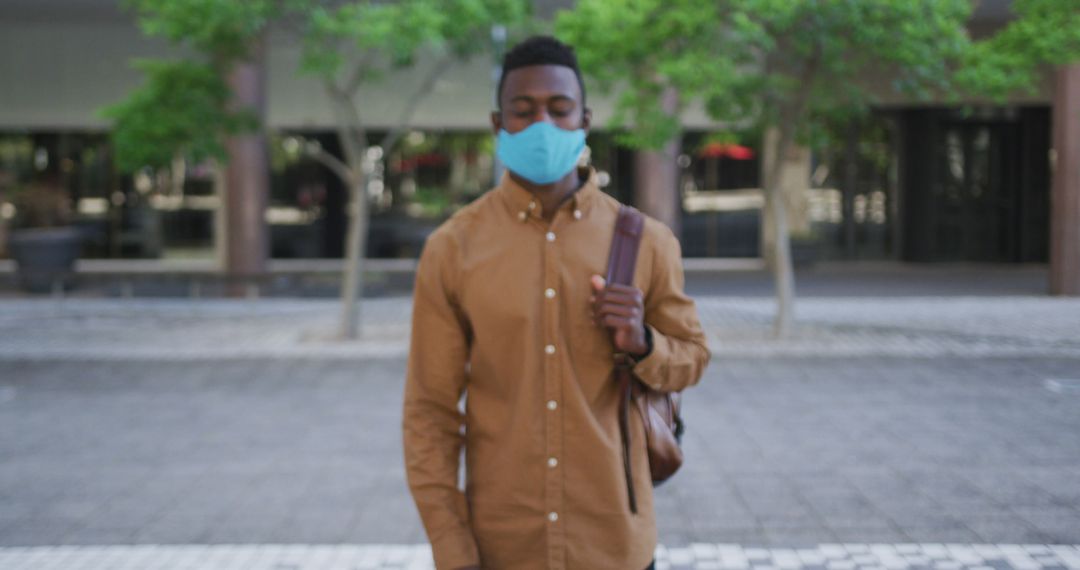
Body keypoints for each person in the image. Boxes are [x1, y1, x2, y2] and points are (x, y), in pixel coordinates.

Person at [402, 35, 711, 570]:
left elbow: (692, 359)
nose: (542, 124)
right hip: (502, 546)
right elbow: (430, 413)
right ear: (499, 125)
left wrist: (643, 344)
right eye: (524, 111)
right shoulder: (453, 249)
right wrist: (452, 549)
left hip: (614, 543)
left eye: (559, 108)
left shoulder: (647, 241)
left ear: (584, 120)